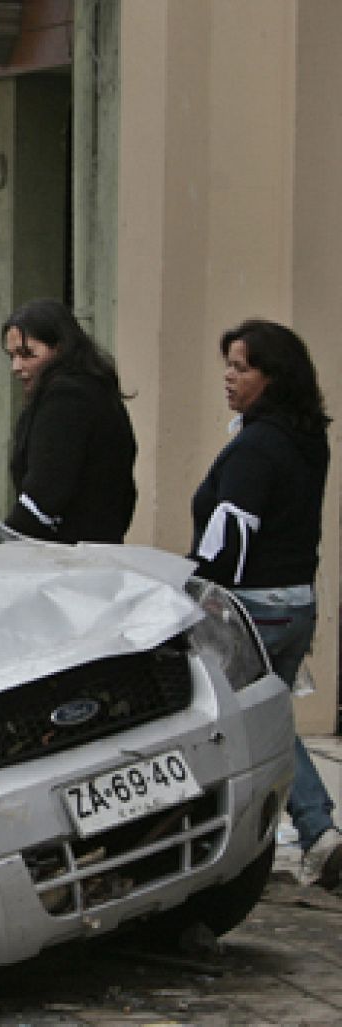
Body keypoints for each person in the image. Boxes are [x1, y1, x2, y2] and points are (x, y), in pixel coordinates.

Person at [190, 318, 342, 888]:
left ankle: (301, 831)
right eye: (228, 366)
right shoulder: (306, 438)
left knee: (237, 722)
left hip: (253, 608)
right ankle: (305, 831)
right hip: (296, 602)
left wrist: (199, 592)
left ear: (272, 377)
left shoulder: (255, 447)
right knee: (268, 717)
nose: (228, 377)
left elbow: (230, 536)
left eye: (241, 367)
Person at [0, 298, 138, 543]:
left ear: (60, 348)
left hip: (68, 553)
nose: (16, 367)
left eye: (27, 354)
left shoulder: (67, 398)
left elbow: (44, 494)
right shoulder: (95, 391)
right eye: (12, 356)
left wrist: (3, 543)